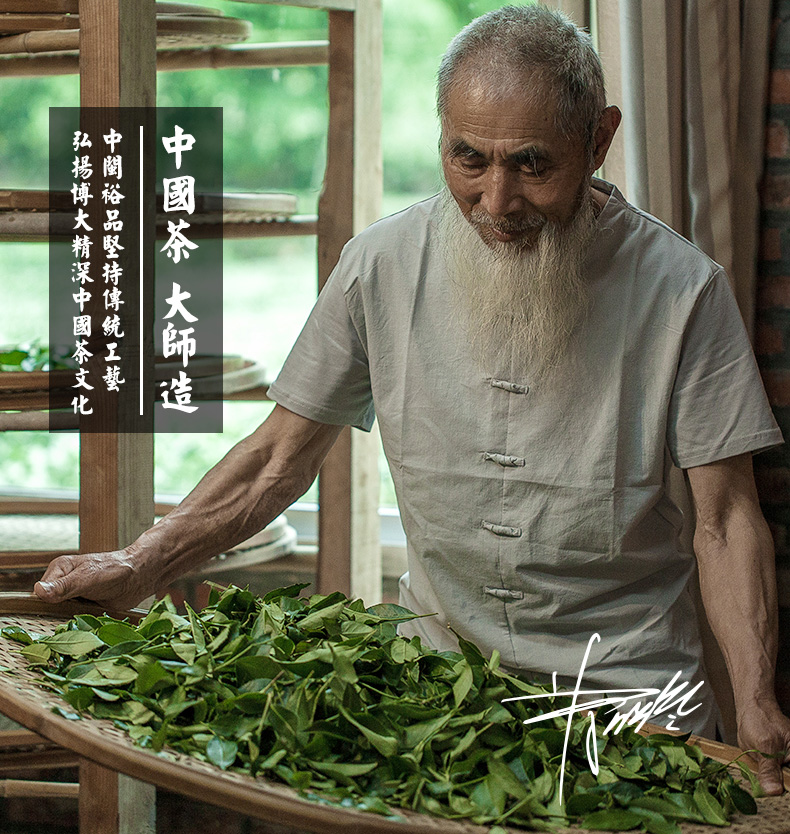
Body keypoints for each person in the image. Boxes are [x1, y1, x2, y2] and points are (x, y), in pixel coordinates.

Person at [36, 4, 790, 794]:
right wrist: (141, 563)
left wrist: (757, 696)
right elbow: (275, 462)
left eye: (532, 164)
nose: (497, 202)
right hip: (438, 696)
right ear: (442, 137)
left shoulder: (682, 289)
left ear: (597, 140)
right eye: (469, 159)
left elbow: (727, 517)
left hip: (631, 701)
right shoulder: (381, 265)